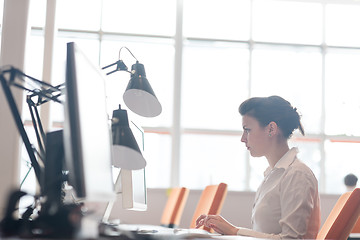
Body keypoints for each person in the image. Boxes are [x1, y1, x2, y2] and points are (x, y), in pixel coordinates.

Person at [195, 95, 320, 239]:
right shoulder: (273, 175)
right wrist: (232, 231)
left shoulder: (297, 175)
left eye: (247, 130)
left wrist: (234, 231)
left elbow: (292, 239)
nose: (242, 138)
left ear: (271, 129)